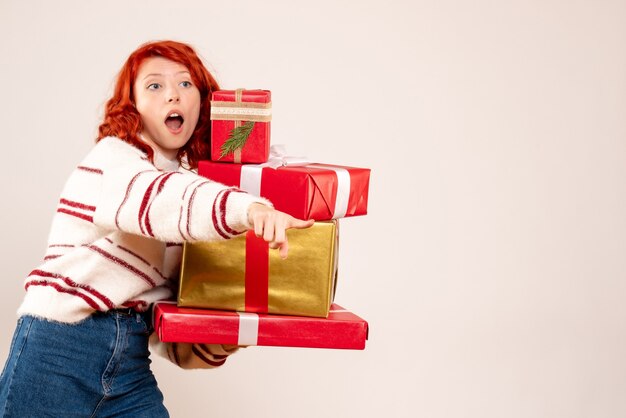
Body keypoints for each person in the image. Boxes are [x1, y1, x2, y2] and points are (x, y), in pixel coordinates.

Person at [0, 40, 312, 417]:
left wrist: (230, 334)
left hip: (128, 359)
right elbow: (161, 199)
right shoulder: (116, 160)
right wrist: (251, 209)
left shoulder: (182, 206)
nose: (172, 96)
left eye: (185, 84)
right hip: (59, 348)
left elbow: (172, 328)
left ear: (203, 102)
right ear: (132, 105)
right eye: (154, 86)